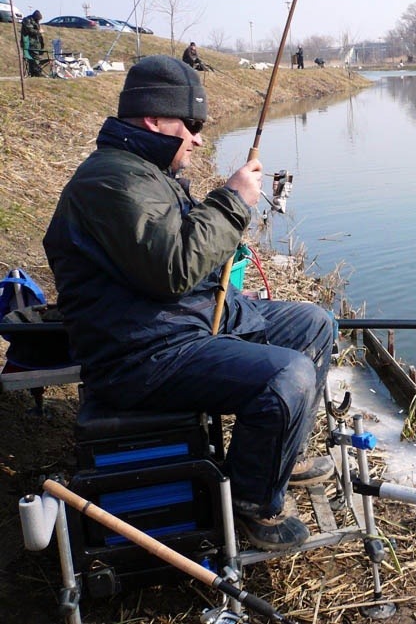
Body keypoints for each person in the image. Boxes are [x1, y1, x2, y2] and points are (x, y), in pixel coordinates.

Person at [43, 55, 334, 551]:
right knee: (289, 376)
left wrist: (219, 219)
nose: (199, 138)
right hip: (140, 357)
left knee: (314, 323)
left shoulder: (142, 170)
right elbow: (173, 267)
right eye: (192, 125)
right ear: (155, 120)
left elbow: (175, 255)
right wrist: (233, 201)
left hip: (178, 325)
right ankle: (253, 503)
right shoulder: (111, 181)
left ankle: (279, 455)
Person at [21, 9, 45, 76]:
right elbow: (30, 30)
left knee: (37, 57)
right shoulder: (27, 20)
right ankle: (36, 72)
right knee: (34, 57)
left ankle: (35, 72)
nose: (39, 21)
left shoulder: (36, 21)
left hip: (36, 44)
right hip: (29, 43)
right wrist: (39, 32)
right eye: (38, 19)